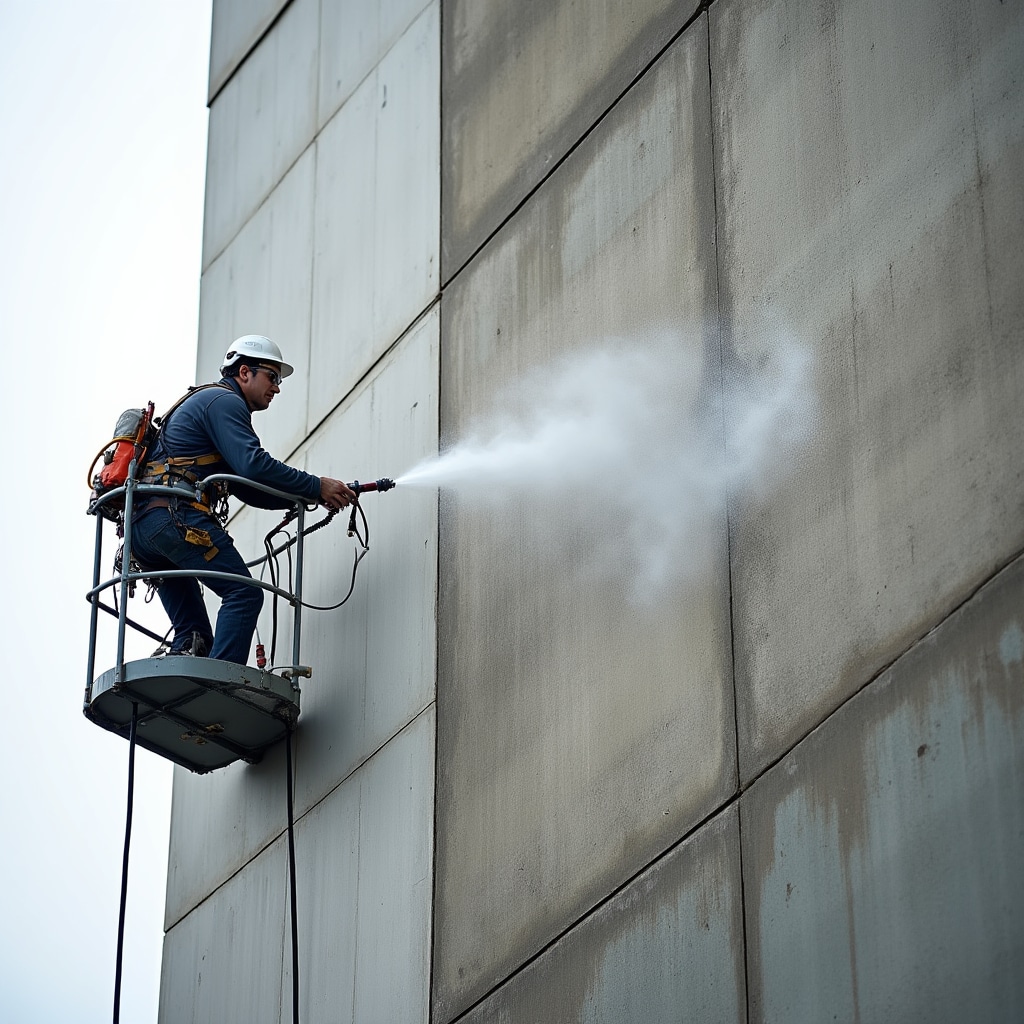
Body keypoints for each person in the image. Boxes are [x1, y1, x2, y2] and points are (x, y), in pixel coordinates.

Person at [131, 335, 356, 664]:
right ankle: (219, 687)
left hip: (144, 531)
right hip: (174, 518)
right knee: (244, 594)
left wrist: (301, 498)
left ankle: (195, 678)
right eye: (273, 377)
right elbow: (254, 464)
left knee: (194, 636)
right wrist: (315, 486)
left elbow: (245, 486)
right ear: (245, 372)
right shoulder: (224, 402)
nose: (277, 388)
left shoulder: (207, 404)